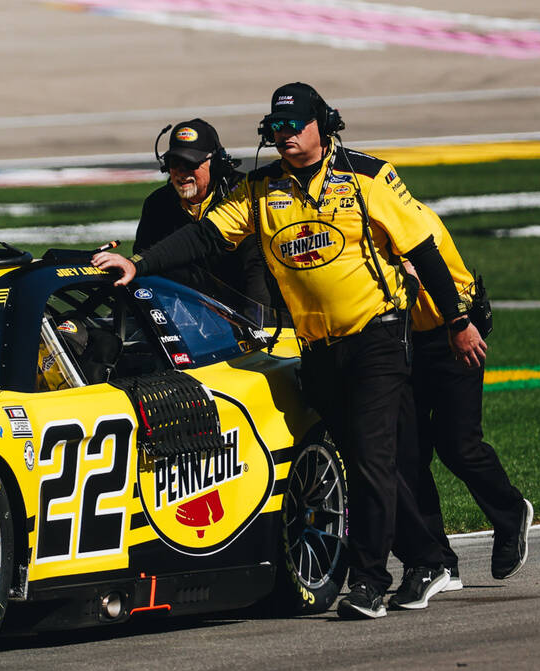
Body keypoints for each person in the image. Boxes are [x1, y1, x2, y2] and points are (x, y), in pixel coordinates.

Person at [93, 82, 483, 619]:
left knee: (372, 457)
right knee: (364, 459)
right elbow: (205, 237)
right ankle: (429, 560)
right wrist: (142, 265)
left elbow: (424, 249)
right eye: (276, 129)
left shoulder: (368, 177)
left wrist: (457, 321)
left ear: (325, 124)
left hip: (376, 335)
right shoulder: (259, 190)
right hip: (318, 346)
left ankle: (369, 581)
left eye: (295, 126)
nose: (285, 137)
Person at [393, 203, 532, 587]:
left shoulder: (404, 215)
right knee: (409, 450)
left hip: (452, 329)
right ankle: (436, 558)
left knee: (458, 444)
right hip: (401, 339)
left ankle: (510, 512)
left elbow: (414, 273)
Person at [133, 118, 273, 307]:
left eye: (190, 164)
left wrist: (259, 329)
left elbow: (256, 277)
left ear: (215, 163)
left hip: (247, 314)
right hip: (184, 314)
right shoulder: (157, 204)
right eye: (175, 162)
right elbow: (146, 277)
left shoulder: (244, 196)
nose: (181, 172)